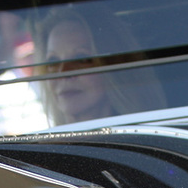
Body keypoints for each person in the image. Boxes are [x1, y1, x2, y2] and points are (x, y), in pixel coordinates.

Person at [37, 11, 166, 125]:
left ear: (114, 68)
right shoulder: (43, 148)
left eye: (82, 58)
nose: (63, 73)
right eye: (53, 61)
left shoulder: (149, 138)